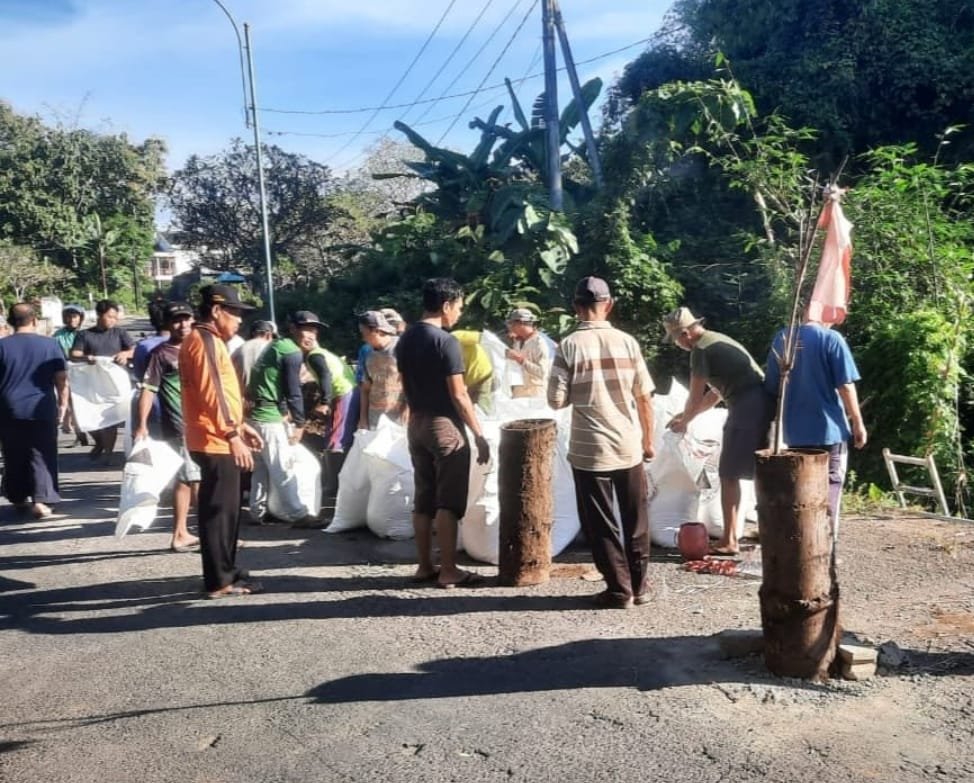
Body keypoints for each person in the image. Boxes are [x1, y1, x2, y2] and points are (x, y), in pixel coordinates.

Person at [548, 277, 656, 609]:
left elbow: (555, 400)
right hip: (627, 444)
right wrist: (648, 441)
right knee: (636, 519)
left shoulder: (568, 346)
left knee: (601, 523)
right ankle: (640, 587)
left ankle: (618, 590)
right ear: (609, 305)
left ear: (576, 307)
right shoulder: (628, 342)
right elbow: (645, 398)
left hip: (589, 449)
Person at [396, 278, 490, 589]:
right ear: (446, 305)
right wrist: (478, 434)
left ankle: (425, 565)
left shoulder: (405, 338)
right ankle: (449, 569)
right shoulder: (445, 341)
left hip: (417, 424)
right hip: (444, 426)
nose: (459, 314)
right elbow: (460, 395)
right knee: (448, 501)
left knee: (424, 498)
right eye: (459, 308)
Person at [663, 306, 772, 555]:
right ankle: (769, 529)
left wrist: (685, 422)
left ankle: (729, 540)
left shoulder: (700, 350)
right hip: (760, 403)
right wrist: (686, 415)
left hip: (747, 407)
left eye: (676, 339)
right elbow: (715, 393)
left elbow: (695, 394)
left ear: (684, 335)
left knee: (728, 473)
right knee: (762, 469)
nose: (677, 344)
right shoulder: (717, 340)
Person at [179, 284, 264, 598]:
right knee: (220, 511)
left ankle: (224, 569)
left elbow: (218, 394)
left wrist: (240, 426)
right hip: (215, 438)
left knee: (224, 509)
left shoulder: (206, 340)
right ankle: (219, 580)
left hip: (216, 434)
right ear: (217, 311)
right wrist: (232, 434)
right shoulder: (205, 342)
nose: (240, 320)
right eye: (235, 312)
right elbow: (212, 392)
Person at [764, 315, 868, 539]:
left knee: (801, 492)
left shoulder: (782, 338)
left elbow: (773, 387)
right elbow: (845, 386)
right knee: (830, 488)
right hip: (829, 432)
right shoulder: (831, 338)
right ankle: (826, 549)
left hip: (795, 433)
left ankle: (801, 545)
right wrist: (858, 423)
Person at [133, 302, 201, 553]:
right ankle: (205, 532)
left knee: (185, 480)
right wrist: (141, 425)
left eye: (186, 319)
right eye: (177, 320)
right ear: (168, 324)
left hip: (204, 424)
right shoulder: (161, 354)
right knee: (194, 479)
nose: (183, 325)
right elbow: (148, 391)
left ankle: (181, 532)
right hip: (180, 425)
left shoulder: (200, 348)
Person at [245, 313, 318, 528]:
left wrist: (285, 411)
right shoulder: (291, 352)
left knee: (261, 467)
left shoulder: (277, 346)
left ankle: (257, 511)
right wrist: (299, 423)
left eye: (314, 330)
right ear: (293, 329)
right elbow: (293, 390)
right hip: (268, 418)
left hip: (254, 415)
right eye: (306, 329)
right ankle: (299, 515)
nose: (311, 334)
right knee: (281, 467)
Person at [0, 303, 69, 519]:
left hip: (8, 408)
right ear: (35, 320)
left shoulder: (2, 346)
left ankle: (18, 496)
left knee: (12, 453)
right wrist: (63, 405)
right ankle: (42, 500)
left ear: (10, 322)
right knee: (43, 453)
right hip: (41, 407)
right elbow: (61, 379)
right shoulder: (50, 345)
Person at [70, 299, 135, 463]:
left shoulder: (119, 333)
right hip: (93, 383)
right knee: (85, 416)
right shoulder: (85, 335)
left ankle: (108, 453)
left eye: (115, 317)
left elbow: (133, 349)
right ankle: (99, 441)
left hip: (115, 382)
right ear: (99, 315)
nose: (113, 320)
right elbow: (74, 354)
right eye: (110, 316)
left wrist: (125, 354)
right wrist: (87, 357)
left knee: (110, 418)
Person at [357, 310, 406, 429]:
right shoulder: (367, 352)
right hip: (374, 417)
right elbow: (365, 389)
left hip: (399, 417)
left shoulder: (401, 348)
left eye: (365, 334)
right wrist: (363, 419)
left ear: (376, 331)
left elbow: (414, 383)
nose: (363, 338)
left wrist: (407, 410)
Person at [53, 304, 88, 447]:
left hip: (85, 372)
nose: (71, 320)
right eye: (68, 316)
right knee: (73, 404)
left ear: (80, 318)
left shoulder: (86, 334)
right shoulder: (58, 336)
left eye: (74, 316)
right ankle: (80, 434)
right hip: (66, 371)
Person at [505, 307, 551, 398]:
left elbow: (542, 373)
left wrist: (521, 360)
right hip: (519, 392)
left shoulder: (539, 343)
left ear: (520, 323)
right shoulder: (517, 342)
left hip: (536, 394)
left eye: (513, 324)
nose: (511, 328)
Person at [451, 330, 494, 405]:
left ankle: (486, 415)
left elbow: (482, 337)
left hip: (482, 374)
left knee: (482, 403)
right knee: (470, 405)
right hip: (469, 381)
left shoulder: (456, 336)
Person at [233, 319, 275, 389]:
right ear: (268, 335)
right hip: (266, 396)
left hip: (242, 396)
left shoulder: (239, 350)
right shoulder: (271, 349)